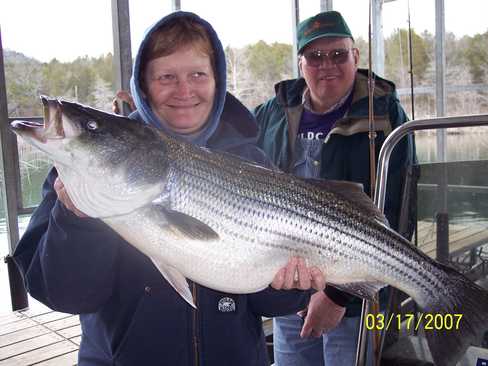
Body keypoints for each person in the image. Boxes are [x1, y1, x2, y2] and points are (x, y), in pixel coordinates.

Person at [13, 11, 325, 366]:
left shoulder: (252, 162)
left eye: (197, 75)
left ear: (216, 81)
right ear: (143, 86)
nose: (184, 90)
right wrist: (77, 221)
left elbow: (270, 304)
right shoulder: (76, 174)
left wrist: (291, 287)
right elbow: (65, 295)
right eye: (166, 77)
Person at [254, 10, 416, 366]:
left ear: (356, 57)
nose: (327, 64)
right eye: (315, 56)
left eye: (338, 54)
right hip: (286, 294)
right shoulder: (271, 114)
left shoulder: (386, 115)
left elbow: (400, 211)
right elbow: (224, 151)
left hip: (354, 302)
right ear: (301, 63)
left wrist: (338, 297)